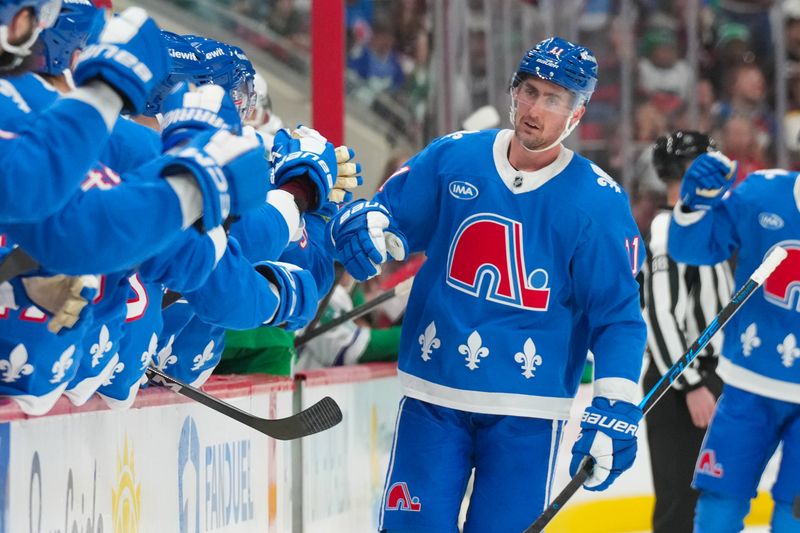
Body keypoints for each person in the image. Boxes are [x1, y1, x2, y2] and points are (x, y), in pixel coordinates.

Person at [327, 37, 647, 532]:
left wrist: (614, 402)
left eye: (554, 99)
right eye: (530, 91)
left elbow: (619, 318)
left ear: (577, 115)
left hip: (529, 414)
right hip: (434, 396)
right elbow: (388, 223)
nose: (535, 109)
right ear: (513, 92)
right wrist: (362, 225)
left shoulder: (599, 203)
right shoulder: (453, 157)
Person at [668, 141, 800, 531]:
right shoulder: (762, 193)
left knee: (794, 513)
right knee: (718, 506)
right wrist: (694, 207)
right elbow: (692, 250)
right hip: (748, 385)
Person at [642, 130, 733, 533]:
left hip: (709, 377)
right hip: (681, 385)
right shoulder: (666, 230)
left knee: (706, 498)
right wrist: (691, 383)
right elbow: (660, 316)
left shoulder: (702, 224)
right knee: (681, 503)